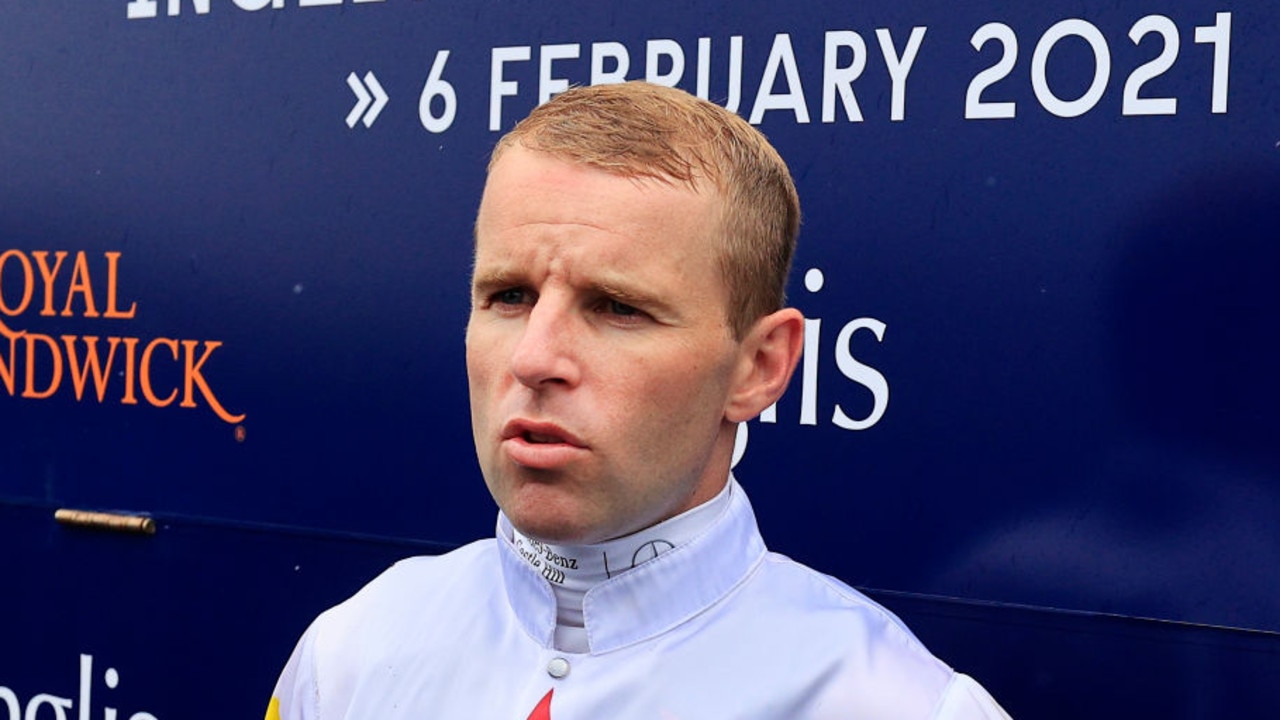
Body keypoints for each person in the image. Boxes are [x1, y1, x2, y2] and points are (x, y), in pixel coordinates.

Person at [265, 81, 1010, 719]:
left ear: (760, 366)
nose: (534, 359)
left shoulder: (890, 703)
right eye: (509, 295)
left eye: (617, 307)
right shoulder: (352, 654)